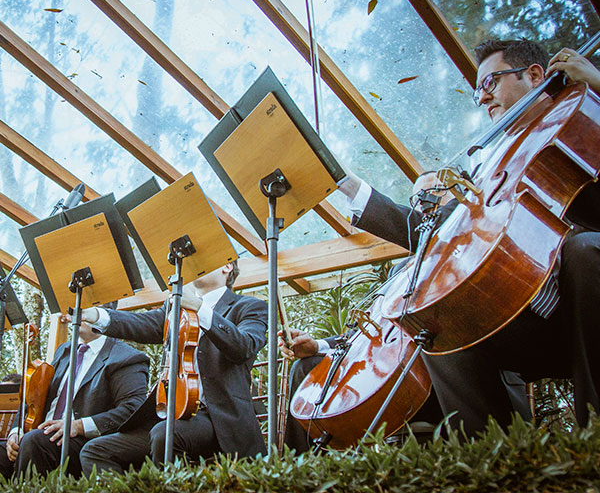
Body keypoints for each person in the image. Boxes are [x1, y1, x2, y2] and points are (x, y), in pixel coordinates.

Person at [336, 40, 600, 436]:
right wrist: (346, 184)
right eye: (477, 90)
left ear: (533, 75)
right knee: (436, 317)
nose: (481, 97)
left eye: (490, 81)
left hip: (581, 302)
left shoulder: (583, 114)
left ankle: (593, 433)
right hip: (525, 310)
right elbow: (437, 233)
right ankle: (489, 456)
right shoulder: (493, 157)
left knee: (583, 250)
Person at [280, 172, 531, 451]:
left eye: (435, 193)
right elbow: (370, 336)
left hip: (451, 373)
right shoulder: (400, 273)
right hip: (400, 375)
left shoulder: (471, 236)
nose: (424, 204)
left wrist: (350, 185)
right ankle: (297, 471)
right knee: (305, 367)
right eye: (417, 200)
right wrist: (318, 345)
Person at [78, 260, 268, 475]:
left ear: (227, 267)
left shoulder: (250, 307)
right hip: (169, 415)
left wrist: (200, 309)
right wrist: (96, 316)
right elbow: (142, 324)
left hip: (219, 419)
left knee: (165, 436)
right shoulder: (175, 306)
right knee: (95, 452)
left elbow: (244, 346)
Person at [0, 305, 149, 478]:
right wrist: (15, 433)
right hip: (39, 435)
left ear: (103, 315)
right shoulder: (64, 351)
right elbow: (31, 399)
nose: (73, 314)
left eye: (85, 308)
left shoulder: (126, 357)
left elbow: (132, 409)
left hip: (81, 442)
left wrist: (78, 426)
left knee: (35, 441)